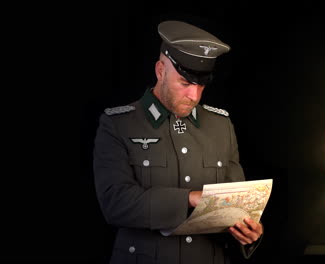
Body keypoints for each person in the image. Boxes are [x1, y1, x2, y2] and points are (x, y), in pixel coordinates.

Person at [93, 20, 264, 264]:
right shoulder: (118, 124)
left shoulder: (221, 125)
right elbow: (115, 203)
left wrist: (247, 230)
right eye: (184, 84)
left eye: (201, 85)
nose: (194, 96)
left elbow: (234, 206)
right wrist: (190, 198)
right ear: (160, 71)